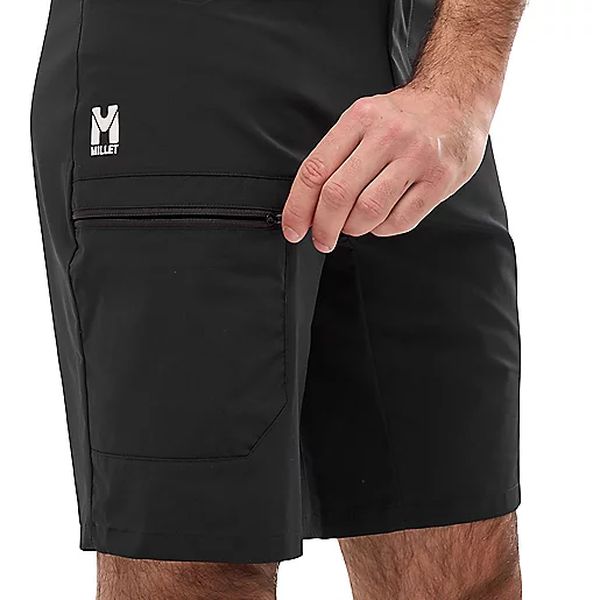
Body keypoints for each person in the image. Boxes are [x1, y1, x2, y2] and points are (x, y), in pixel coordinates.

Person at [32, 0, 525, 597]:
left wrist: (460, 88)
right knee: (197, 566)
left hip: (419, 70)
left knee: (465, 560)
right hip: (181, 65)